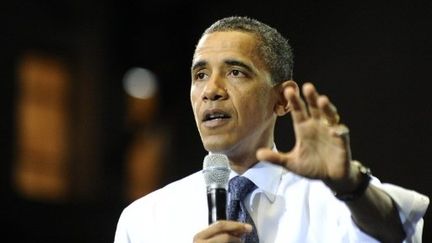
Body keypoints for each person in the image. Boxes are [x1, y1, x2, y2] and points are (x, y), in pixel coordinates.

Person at [114, 16, 429, 243]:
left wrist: (349, 184)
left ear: (281, 100)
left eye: (235, 72)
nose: (211, 90)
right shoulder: (143, 219)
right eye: (200, 75)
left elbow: (398, 231)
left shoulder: (342, 198)